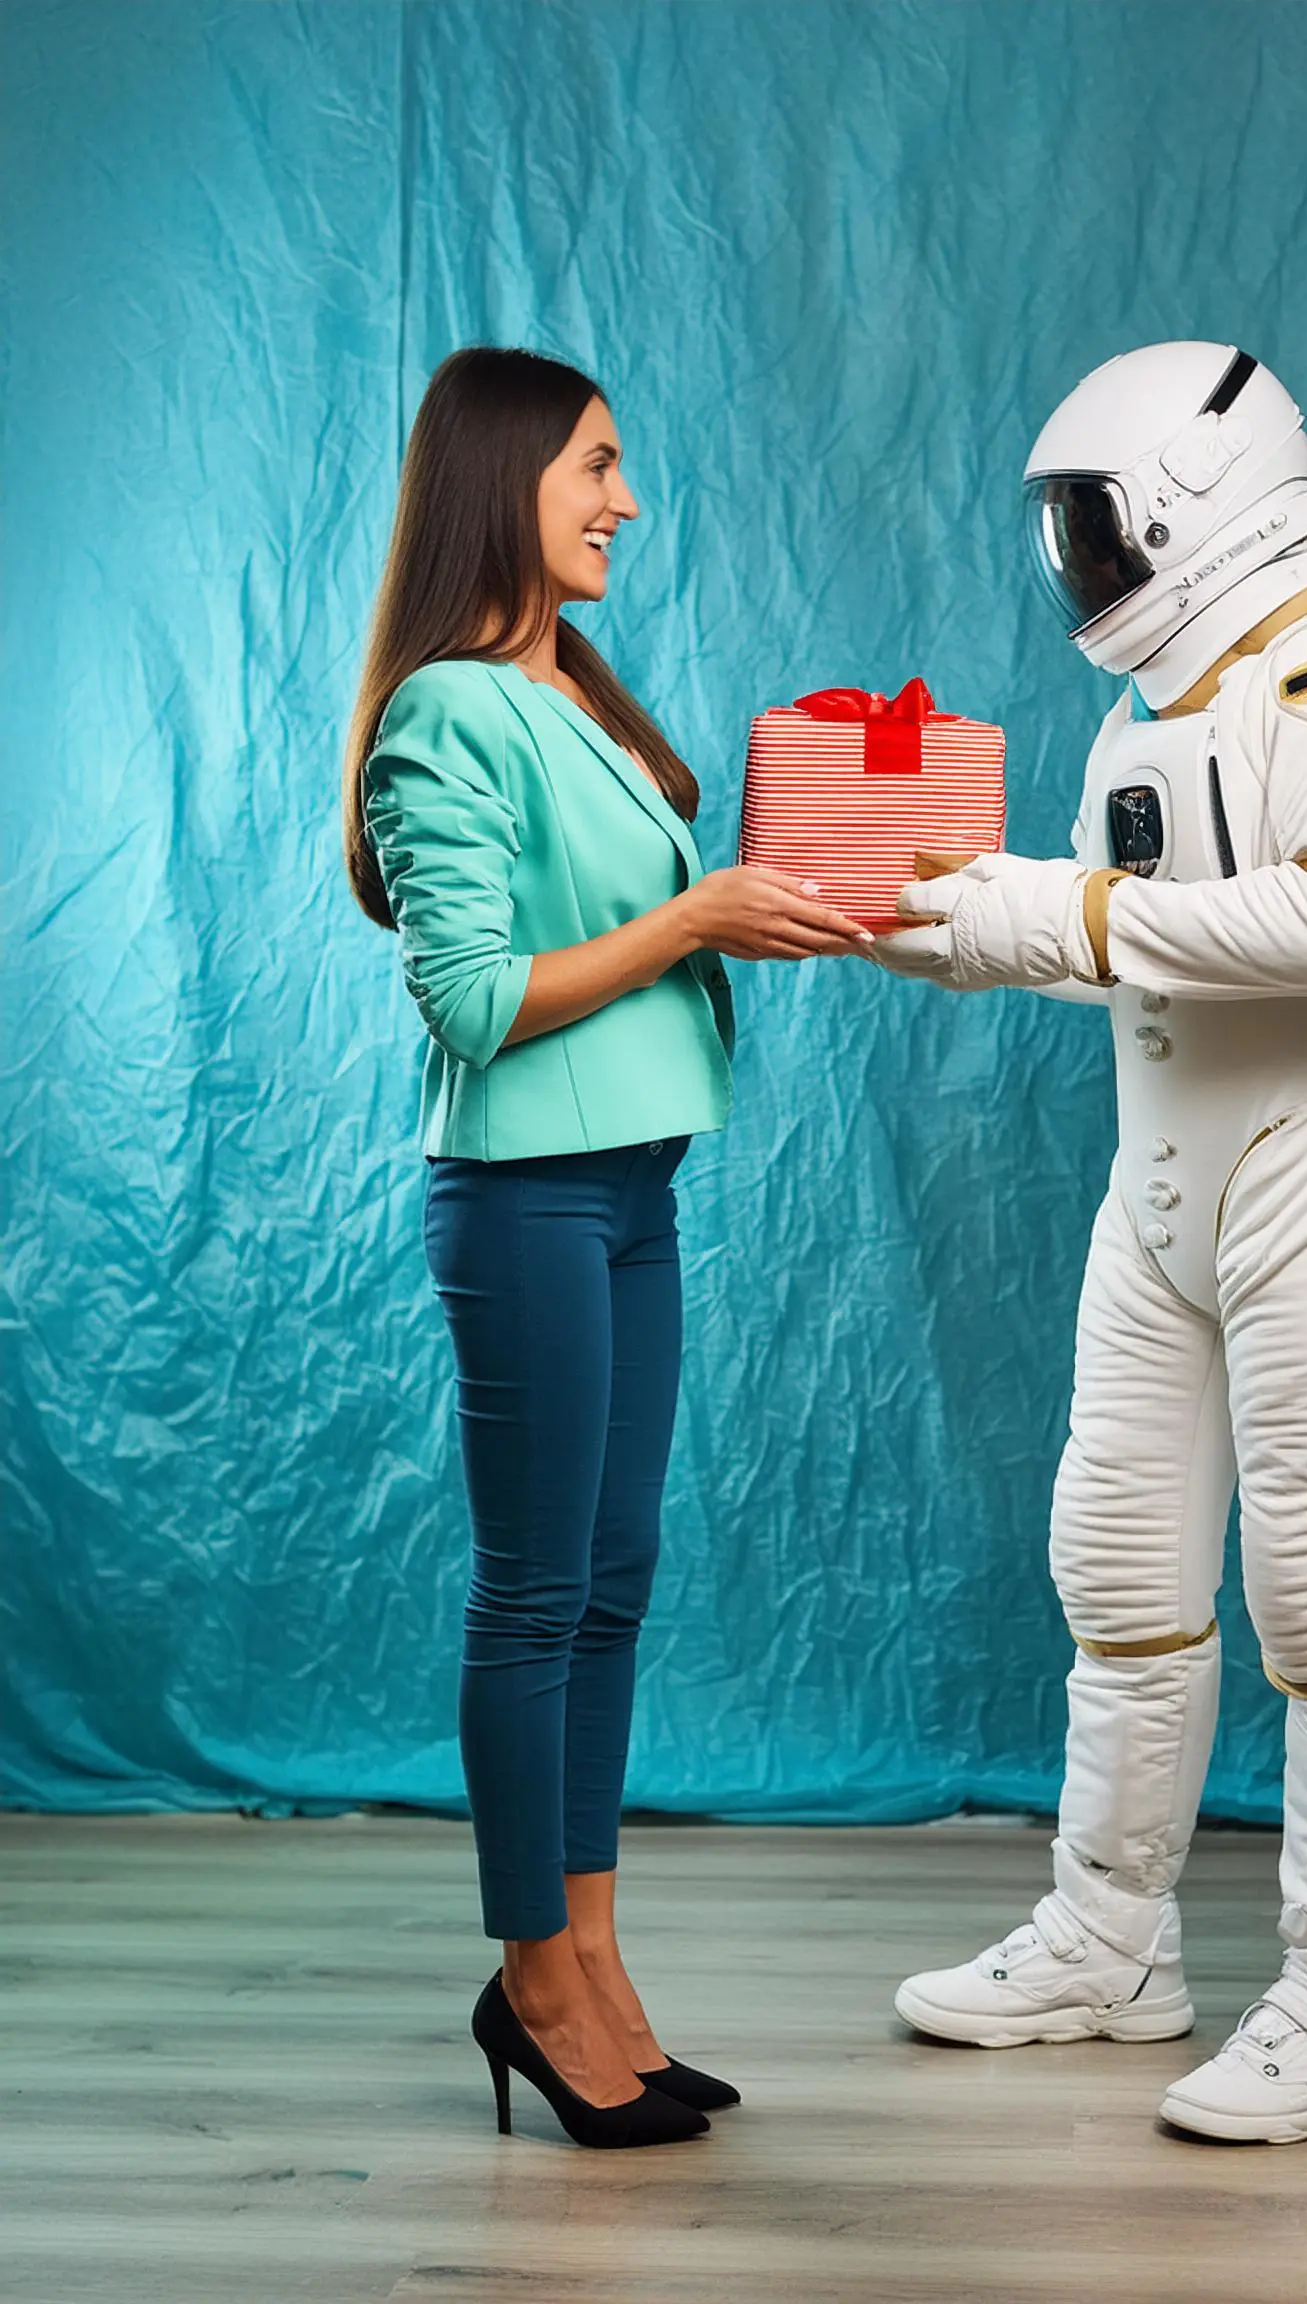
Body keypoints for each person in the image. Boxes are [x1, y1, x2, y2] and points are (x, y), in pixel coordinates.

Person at [874, 342, 1307, 2145]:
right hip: (1162, 1206)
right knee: (1119, 1583)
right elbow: (1128, 945)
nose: (1085, 567)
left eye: (1099, 528)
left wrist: (1045, 914)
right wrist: (964, 927)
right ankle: (1109, 1943)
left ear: (1196, 507)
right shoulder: (1140, 722)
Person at [342, 346, 870, 2148]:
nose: (625, 500)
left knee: (615, 1586)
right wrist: (698, 912)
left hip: (635, 1185)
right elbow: (480, 1004)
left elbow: (642, 933)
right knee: (535, 1595)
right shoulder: (443, 712)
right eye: (595, 466)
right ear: (505, 479)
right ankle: (535, 1982)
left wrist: (768, 907)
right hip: (528, 1197)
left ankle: (599, 1967)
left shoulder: (571, 692)